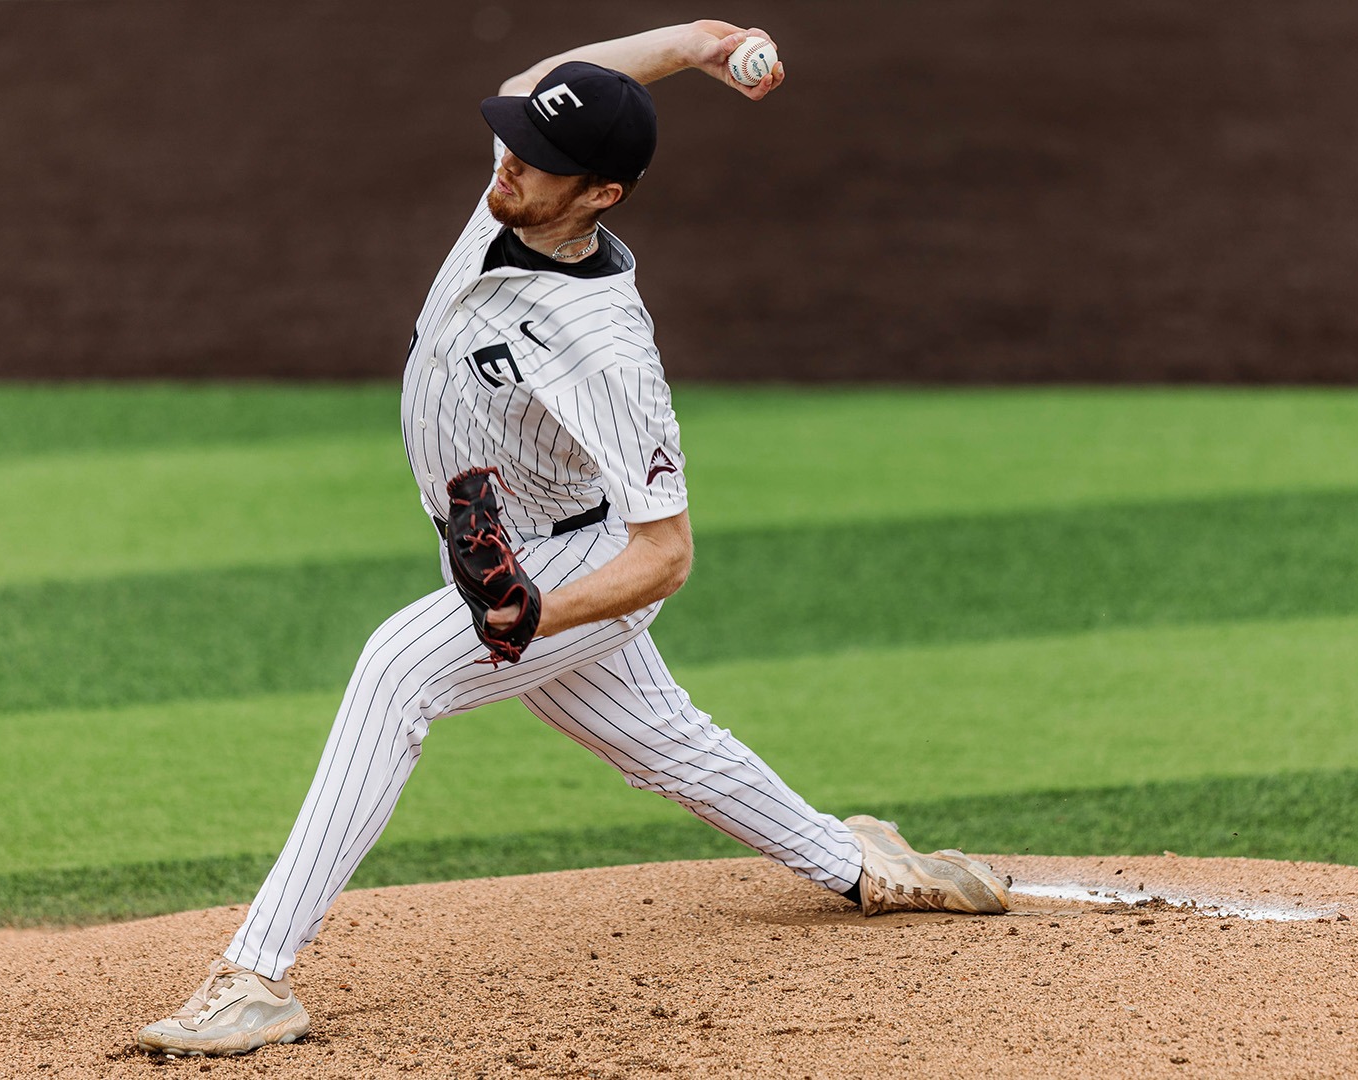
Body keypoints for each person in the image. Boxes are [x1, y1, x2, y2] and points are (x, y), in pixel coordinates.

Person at [136, 20, 1010, 1058]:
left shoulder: (606, 351)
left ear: (601, 194)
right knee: (669, 746)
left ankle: (258, 978)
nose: (510, 162)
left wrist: (536, 613)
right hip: (508, 547)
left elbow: (666, 557)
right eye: (515, 143)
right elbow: (533, 84)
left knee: (393, 674)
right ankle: (862, 863)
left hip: (576, 561)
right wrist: (695, 44)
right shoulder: (512, 193)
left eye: (542, 161)